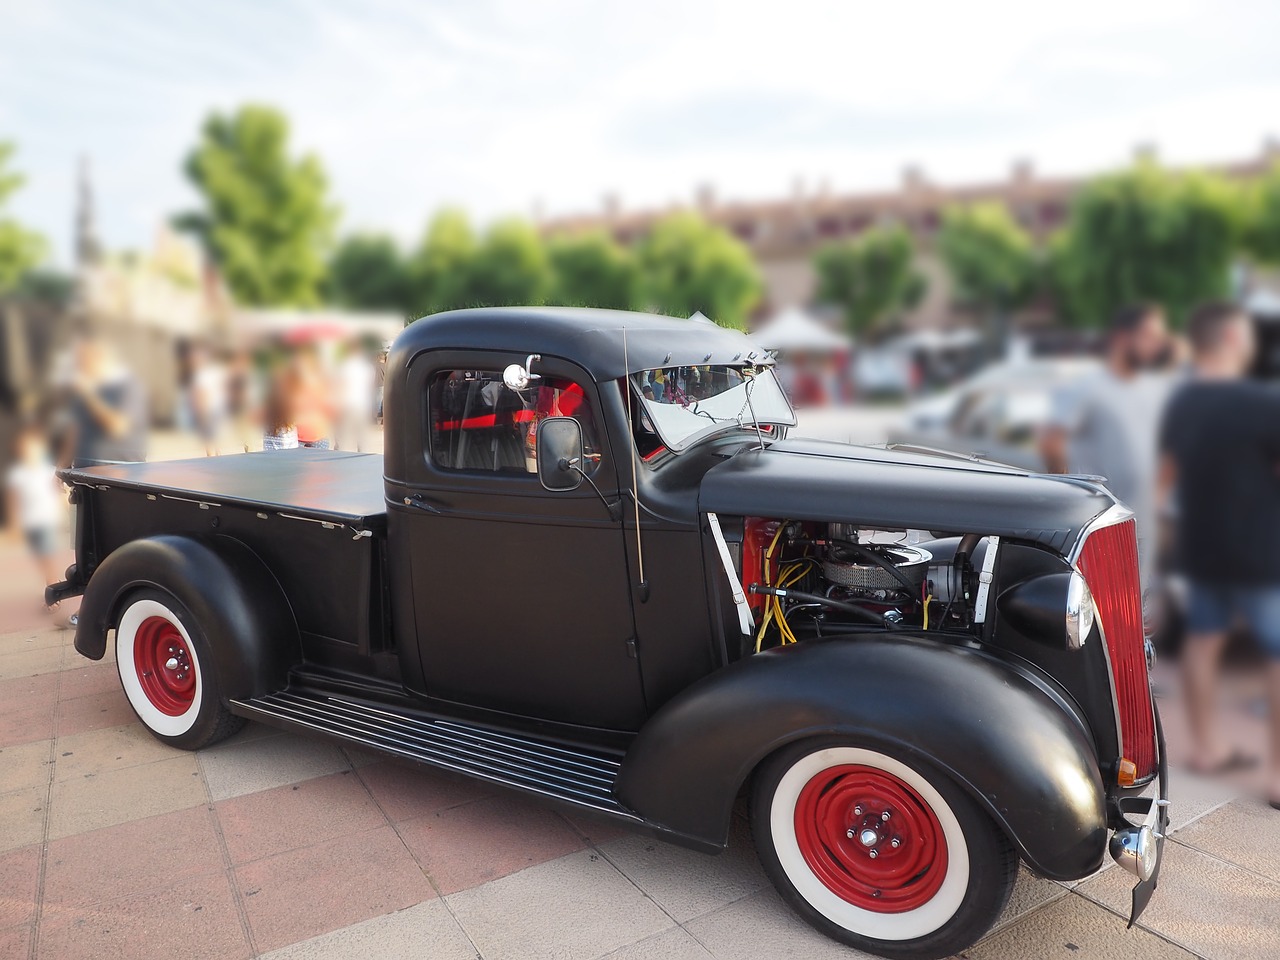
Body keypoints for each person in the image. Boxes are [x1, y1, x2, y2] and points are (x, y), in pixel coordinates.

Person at [1157, 302, 1280, 807]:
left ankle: (1207, 748)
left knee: (1203, 641)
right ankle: (1276, 775)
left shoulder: (1181, 401)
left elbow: (1167, 478)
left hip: (1200, 547)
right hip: (1258, 551)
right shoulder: (1262, 403)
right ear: (1232, 336)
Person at [1040, 303, 1175, 587]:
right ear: (1122, 338)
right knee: (1105, 610)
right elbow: (1052, 443)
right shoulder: (1087, 387)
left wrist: (1159, 498)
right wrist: (1071, 500)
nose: (1156, 345)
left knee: (1138, 611)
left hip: (1145, 528)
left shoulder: (1155, 389)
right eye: (1149, 336)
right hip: (1104, 529)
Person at [58, 334, 147, 467]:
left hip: (122, 476)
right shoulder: (81, 389)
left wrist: (88, 395)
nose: (78, 366)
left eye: (83, 360)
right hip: (84, 477)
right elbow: (74, 432)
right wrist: (61, 469)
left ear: (99, 358)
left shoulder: (129, 386)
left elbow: (118, 427)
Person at [6, 422, 65, 610]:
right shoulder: (17, 473)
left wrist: (60, 510)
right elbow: (13, 501)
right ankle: (53, 588)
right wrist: (15, 525)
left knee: (47, 557)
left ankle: (53, 597)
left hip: (46, 520)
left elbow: (59, 492)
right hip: (30, 522)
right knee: (41, 558)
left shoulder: (50, 470)